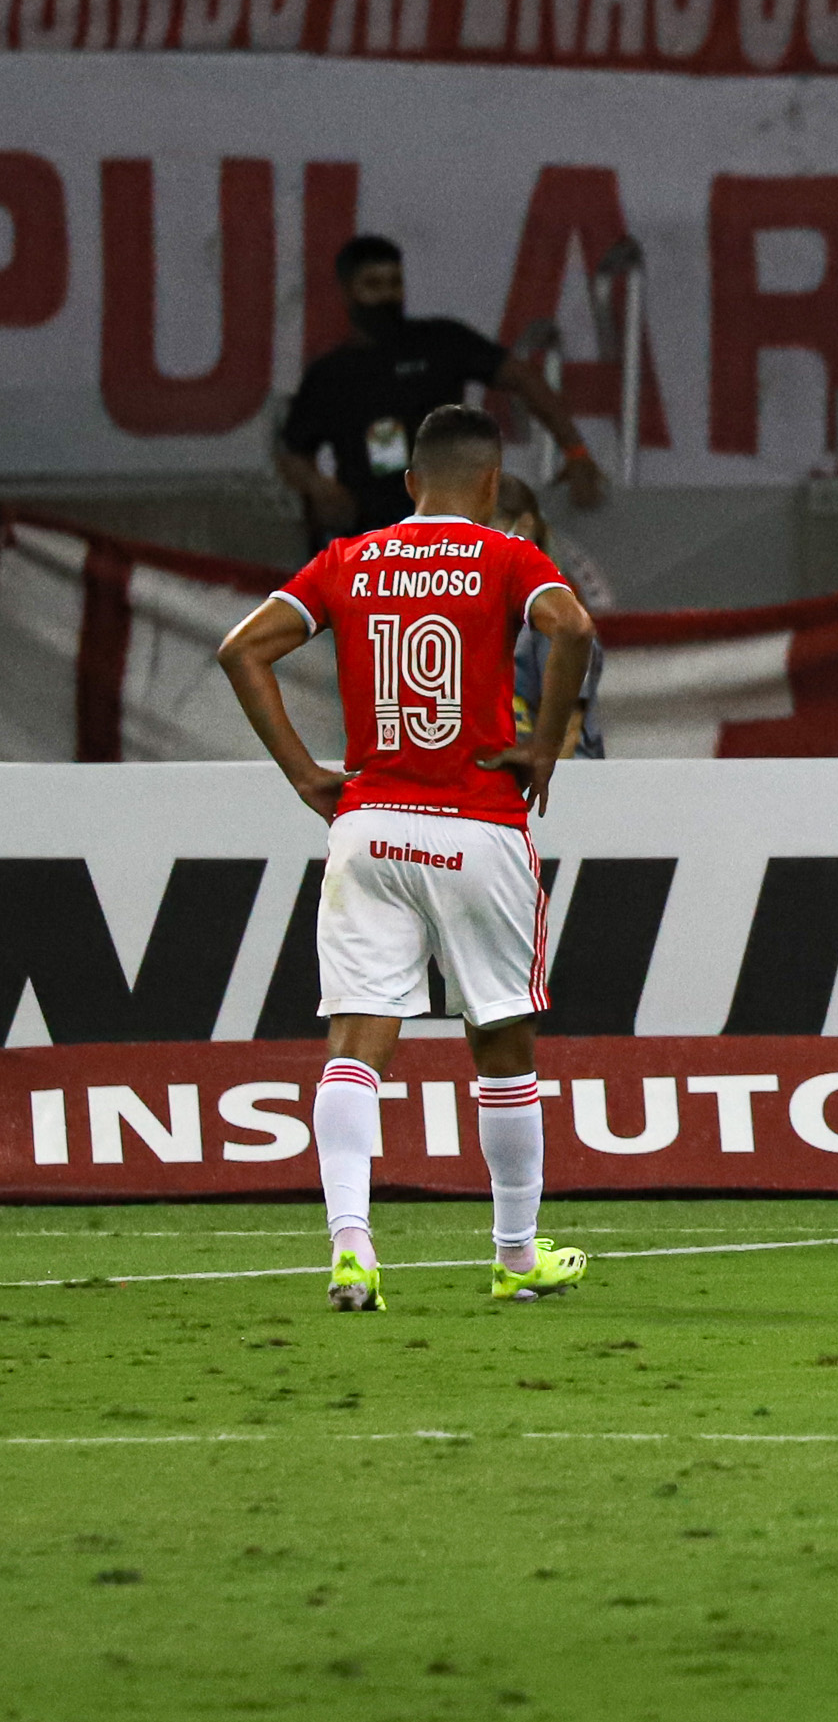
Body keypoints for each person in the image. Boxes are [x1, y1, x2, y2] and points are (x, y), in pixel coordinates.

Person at [215, 404, 599, 1311]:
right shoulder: (507, 554)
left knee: (356, 1046)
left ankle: (352, 1246)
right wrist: (544, 746)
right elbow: (571, 627)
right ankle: (513, 1255)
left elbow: (243, 650)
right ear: (495, 487)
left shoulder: (349, 557)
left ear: (409, 483)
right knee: (503, 1044)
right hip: (477, 824)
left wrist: (305, 771)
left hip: (370, 823)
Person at [277, 236, 605, 549]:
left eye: (395, 283)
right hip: (371, 535)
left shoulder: (440, 341)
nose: (388, 295)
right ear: (348, 293)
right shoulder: (330, 373)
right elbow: (293, 452)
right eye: (374, 286)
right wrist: (319, 488)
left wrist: (575, 452)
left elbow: (523, 377)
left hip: (454, 523)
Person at [498, 476, 606, 759]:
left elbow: (569, 727)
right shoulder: (482, 611)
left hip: (563, 785)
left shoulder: (558, 616)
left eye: (483, 526)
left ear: (524, 525)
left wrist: (543, 793)